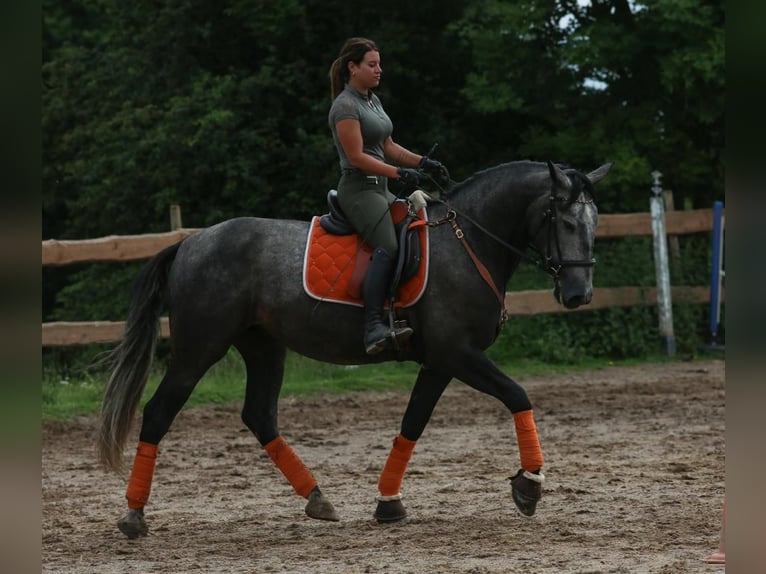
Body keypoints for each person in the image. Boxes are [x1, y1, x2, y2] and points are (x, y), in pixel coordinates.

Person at [328, 37, 449, 355]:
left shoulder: (372, 101)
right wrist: (397, 173)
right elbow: (356, 156)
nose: (379, 70)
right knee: (388, 245)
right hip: (358, 189)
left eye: (379, 64)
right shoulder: (345, 105)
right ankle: (372, 327)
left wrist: (422, 162)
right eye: (372, 64)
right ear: (352, 68)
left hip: (381, 188)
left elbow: (389, 147)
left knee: (417, 233)